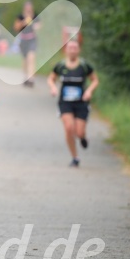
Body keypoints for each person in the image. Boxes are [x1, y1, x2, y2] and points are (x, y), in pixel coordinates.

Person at [47, 39, 99, 167]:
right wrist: (53, 87)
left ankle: (82, 137)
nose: (72, 50)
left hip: (81, 102)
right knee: (69, 128)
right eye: (70, 48)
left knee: (79, 132)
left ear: (78, 50)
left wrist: (89, 91)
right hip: (65, 102)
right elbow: (51, 79)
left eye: (75, 48)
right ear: (66, 50)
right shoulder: (60, 66)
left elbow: (95, 80)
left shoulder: (84, 66)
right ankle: (75, 157)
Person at [13, 0, 41, 87]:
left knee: (31, 57)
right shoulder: (20, 17)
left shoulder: (35, 16)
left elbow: (39, 25)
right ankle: (26, 76)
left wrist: (36, 26)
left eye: (30, 8)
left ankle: (31, 78)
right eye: (27, 8)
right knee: (25, 60)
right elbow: (16, 27)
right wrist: (24, 22)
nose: (28, 9)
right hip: (23, 40)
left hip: (32, 39)